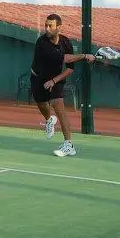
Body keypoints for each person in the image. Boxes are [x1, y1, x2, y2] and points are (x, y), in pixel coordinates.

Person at [30, 14, 95, 156]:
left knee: (58, 106)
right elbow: (64, 58)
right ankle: (49, 120)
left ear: (59, 27)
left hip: (56, 79)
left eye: (50, 26)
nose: (47, 28)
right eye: (46, 25)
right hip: (38, 79)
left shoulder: (65, 42)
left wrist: (54, 81)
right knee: (42, 104)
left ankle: (68, 145)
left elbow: (70, 69)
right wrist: (85, 56)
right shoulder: (42, 43)